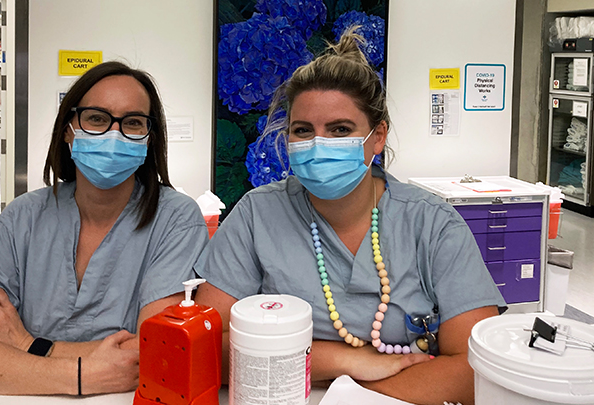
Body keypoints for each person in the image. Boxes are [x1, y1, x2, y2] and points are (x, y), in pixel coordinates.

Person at [194, 29, 506, 405]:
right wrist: (348, 360)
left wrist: (347, 394)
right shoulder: (257, 215)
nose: (319, 145)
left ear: (377, 137)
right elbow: (202, 348)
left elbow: (479, 369)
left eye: (340, 130)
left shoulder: (433, 224)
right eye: (303, 131)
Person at [0, 61, 209, 395]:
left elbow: (156, 353)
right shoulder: (22, 218)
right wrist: (83, 375)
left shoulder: (175, 219)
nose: (114, 135)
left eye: (132, 123)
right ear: (69, 128)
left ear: (148, 139)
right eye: (97, 118)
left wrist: (27, 343)